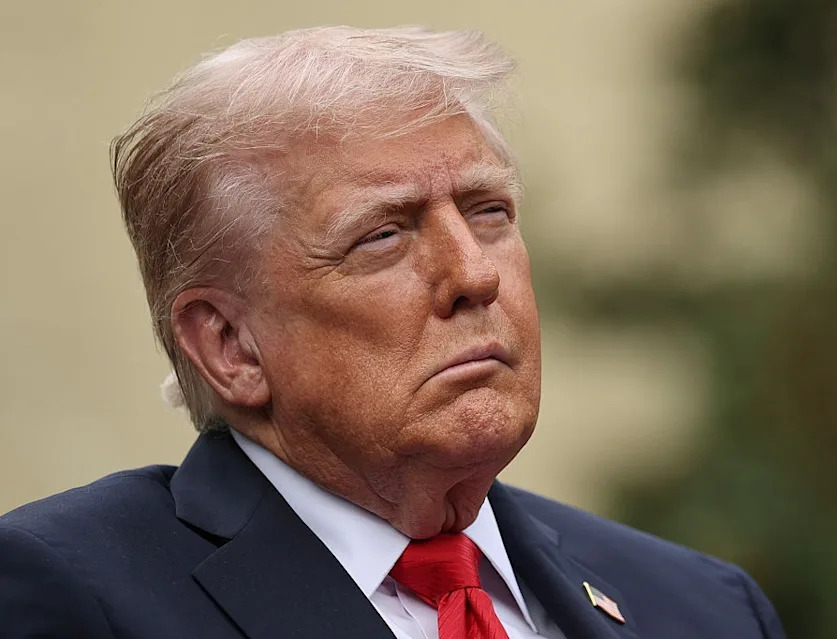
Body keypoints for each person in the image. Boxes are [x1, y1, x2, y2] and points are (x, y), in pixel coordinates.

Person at [0, 26, 785, 638]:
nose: (475, 274)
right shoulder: (74, 593)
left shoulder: (704, 607)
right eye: (382, 236)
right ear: (230, 346)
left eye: (489, 212)